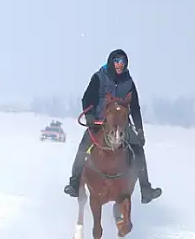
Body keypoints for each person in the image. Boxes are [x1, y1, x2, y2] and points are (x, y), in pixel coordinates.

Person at [63, 49, 162, 204]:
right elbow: (87, 98)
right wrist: (89, 115)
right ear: (111, 62)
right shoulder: (99, 77)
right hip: (99, 123)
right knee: (83, 147)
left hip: (122, 125)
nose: (119, 65)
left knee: (138, 150)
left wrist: (140, 130)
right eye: (116, 61)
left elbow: (135, 107)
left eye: (122, 62)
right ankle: (74, 183)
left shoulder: (128, 82)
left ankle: (146, 189)